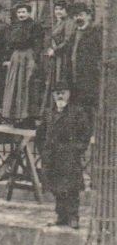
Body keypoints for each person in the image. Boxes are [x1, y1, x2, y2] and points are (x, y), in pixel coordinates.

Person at [36, 84, 92, 228]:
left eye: (63, 93)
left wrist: (77, 149)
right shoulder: (48, 113)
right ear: (53, 96)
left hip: (69, 156)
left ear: (69, 94)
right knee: (56, 187)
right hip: (52, 157)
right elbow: (40, 134)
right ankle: (61, 216)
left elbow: (85, 134)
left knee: (71, 187)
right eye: (57, 93)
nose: (60, 96)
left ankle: (73, 217)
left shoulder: (77, 112)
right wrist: (44, 151)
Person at [1, 2, 43, 127]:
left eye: (23, 12)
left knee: (26, 84)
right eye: (19, 12)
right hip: (16, 57)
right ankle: (13, 115)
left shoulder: (35, 26)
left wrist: (34, 58)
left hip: (27, 56)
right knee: (14, 85)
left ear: (29, 13)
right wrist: (8, 58)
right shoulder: (14, 26)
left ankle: (27, 117)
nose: (21, 15)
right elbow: (8, 43)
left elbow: (38, 43)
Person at [41, 0, 75, 116]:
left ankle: (64, 111)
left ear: (67, 10)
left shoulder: (69, 22)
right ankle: (55, 110)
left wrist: (55, 50)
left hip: (64, 58)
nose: (58, 12)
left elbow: (68, 40)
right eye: (56, 9)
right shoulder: (58, 23)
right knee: (55, 82)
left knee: (62, 81)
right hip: (57, 59)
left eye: (61, 9)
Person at [69, 1, 102, 114]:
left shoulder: (95, 32)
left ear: (88, 16)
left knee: (88, 104)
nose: (78, 18)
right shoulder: (74, 33)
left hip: (89, 75)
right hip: (74, 74)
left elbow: (100, 53)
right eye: (75, 16)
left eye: (81, 15)